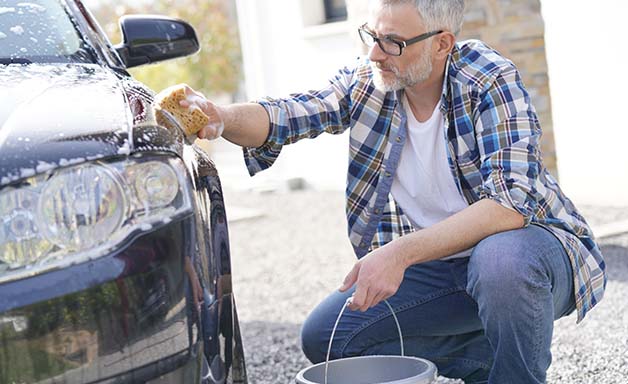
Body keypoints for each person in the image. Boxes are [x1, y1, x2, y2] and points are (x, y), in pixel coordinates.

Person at [174, 0, 606, 382]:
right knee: (327, 338)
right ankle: (492, 361)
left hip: (534, 251)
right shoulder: (371, 83)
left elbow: (510, 205)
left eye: (393, 42)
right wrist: (221, 116)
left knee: (501, 261)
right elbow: (288, 114)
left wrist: (399, 253)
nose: (375, 53)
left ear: (442, 44)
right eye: (372, 36)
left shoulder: (489, 80)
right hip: (444, 265)